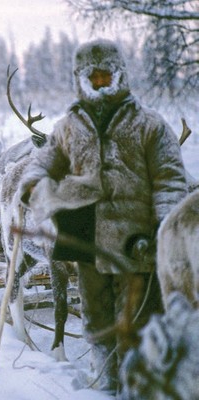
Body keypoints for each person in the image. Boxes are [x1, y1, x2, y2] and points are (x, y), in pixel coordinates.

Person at [17, 39, 187, 394]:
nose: (99, 82)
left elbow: (170, 179)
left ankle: (137, 386)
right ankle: (106, 385)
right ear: (80, 79)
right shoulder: (68, 127)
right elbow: (43, 163)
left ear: (119, 75)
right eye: (91, 77)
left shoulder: (149, 125)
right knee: (96, 319)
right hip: (85, 238)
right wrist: (33, 185)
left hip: (137, 243)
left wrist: (163, 230)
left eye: (105, 75)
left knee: (139, 324)